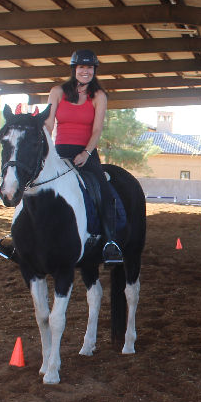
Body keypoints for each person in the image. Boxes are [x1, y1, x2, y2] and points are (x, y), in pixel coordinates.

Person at [45, 49, 122, 265]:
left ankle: (110, 242)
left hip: (86, 152)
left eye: (89, 67)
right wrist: (47, 152)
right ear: (74, 69)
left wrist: (86, 153)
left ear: (94, 70)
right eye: (81, 67)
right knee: (32, 184)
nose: (85, 71)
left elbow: (97, 130)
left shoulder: (99, 96)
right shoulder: (57, 92)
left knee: (103, 191)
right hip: (59, 152)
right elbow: (48, 125)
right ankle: (18, 236)